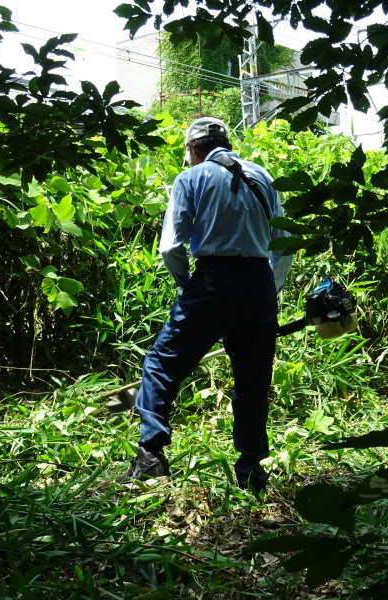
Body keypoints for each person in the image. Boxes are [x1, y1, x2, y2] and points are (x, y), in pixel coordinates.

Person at [125, 116, 292, 493]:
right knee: (253, 381)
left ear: (193, 148)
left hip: (212, 280)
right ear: (226, 142)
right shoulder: (262, 176)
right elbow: (283, 244)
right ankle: (252, 473)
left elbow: (171, 246)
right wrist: (270, 291)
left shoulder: (191, 178)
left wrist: (189, 285)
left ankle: (151, 456)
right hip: (258, 284)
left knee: (162, 363)